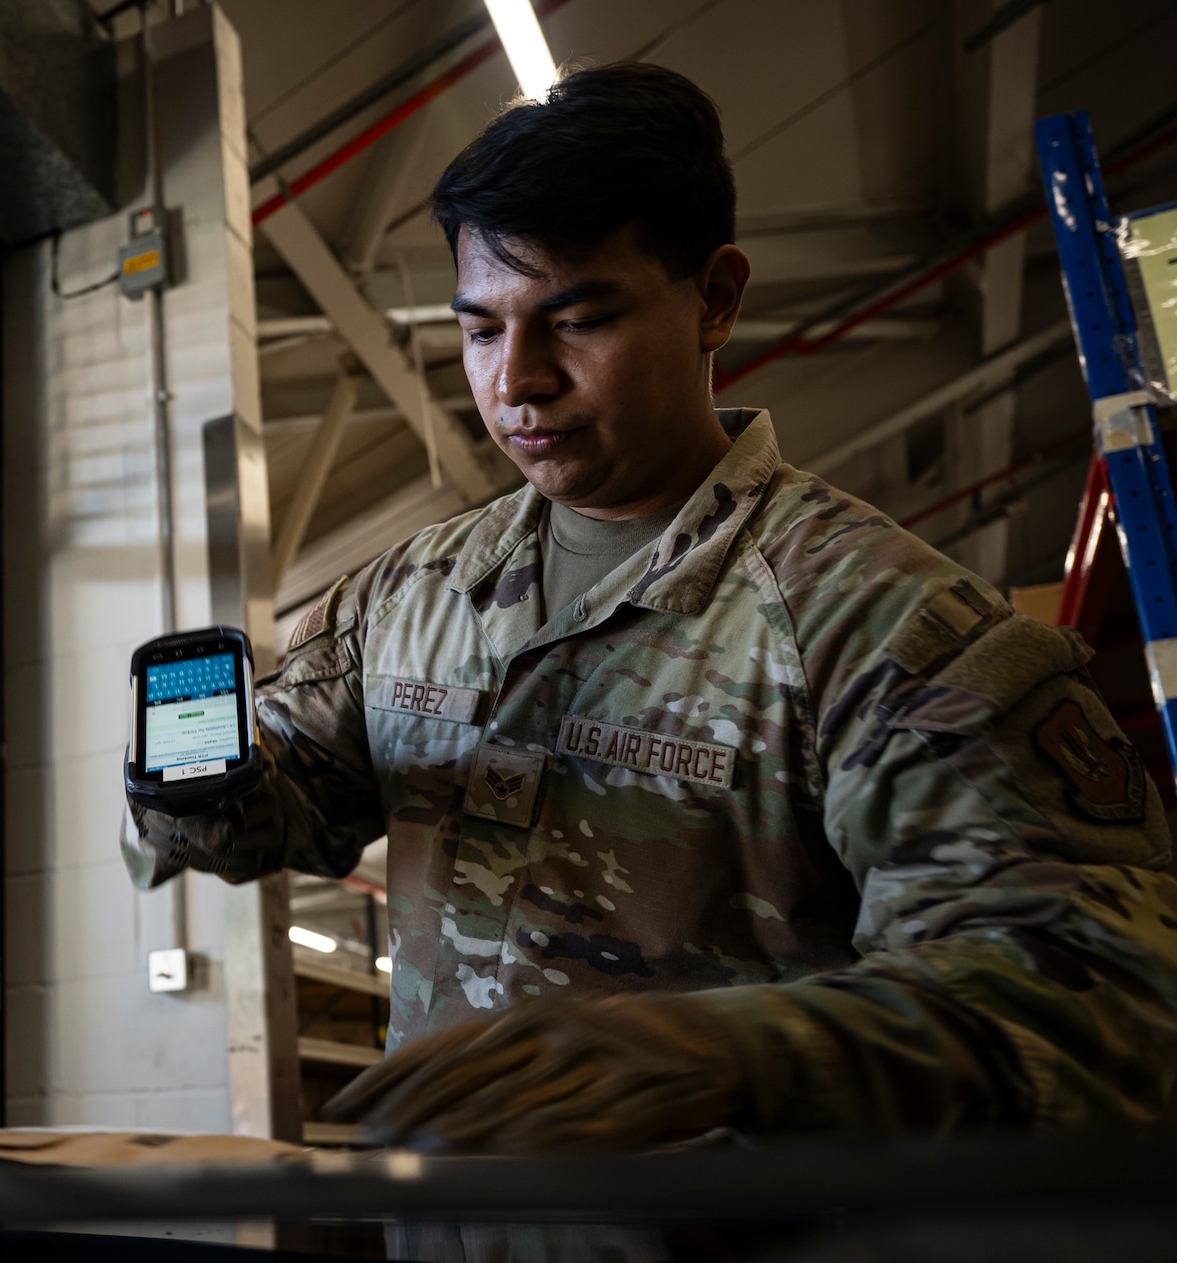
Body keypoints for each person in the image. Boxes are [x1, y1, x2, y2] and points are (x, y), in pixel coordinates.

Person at [123, 61, 1177, 1153]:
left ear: (714, 296)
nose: (517, 381)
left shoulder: (878, 626)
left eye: (575, 319)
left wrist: (734, 1057)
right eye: (480, 331)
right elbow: (273, 809)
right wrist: (189, 787)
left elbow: (1100, 991)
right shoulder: (405, 595)